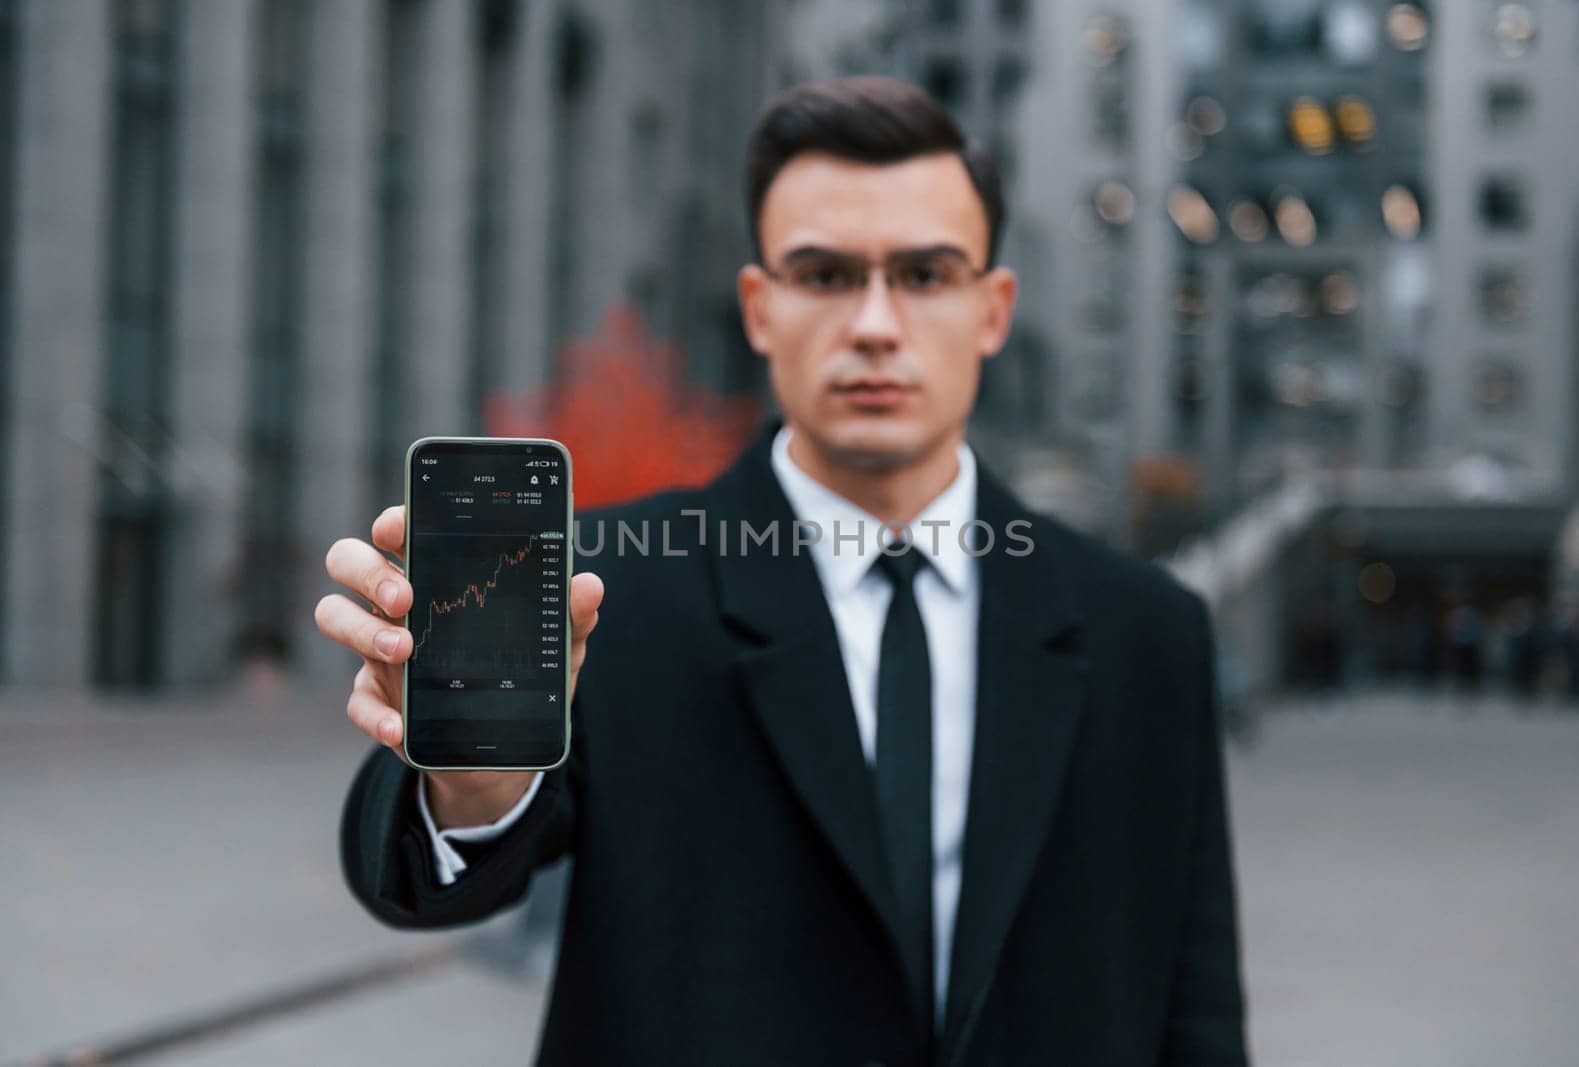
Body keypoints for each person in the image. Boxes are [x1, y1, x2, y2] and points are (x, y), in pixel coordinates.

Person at [316, 76, 1247, 1066]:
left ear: (992, 308)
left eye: (925, 274)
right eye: (827, 274)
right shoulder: (605, 589)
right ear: (759, 307)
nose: (876, 324)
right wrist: (470, 786)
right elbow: (428, 876)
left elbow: (1195, 1012)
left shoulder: (1147, 630)